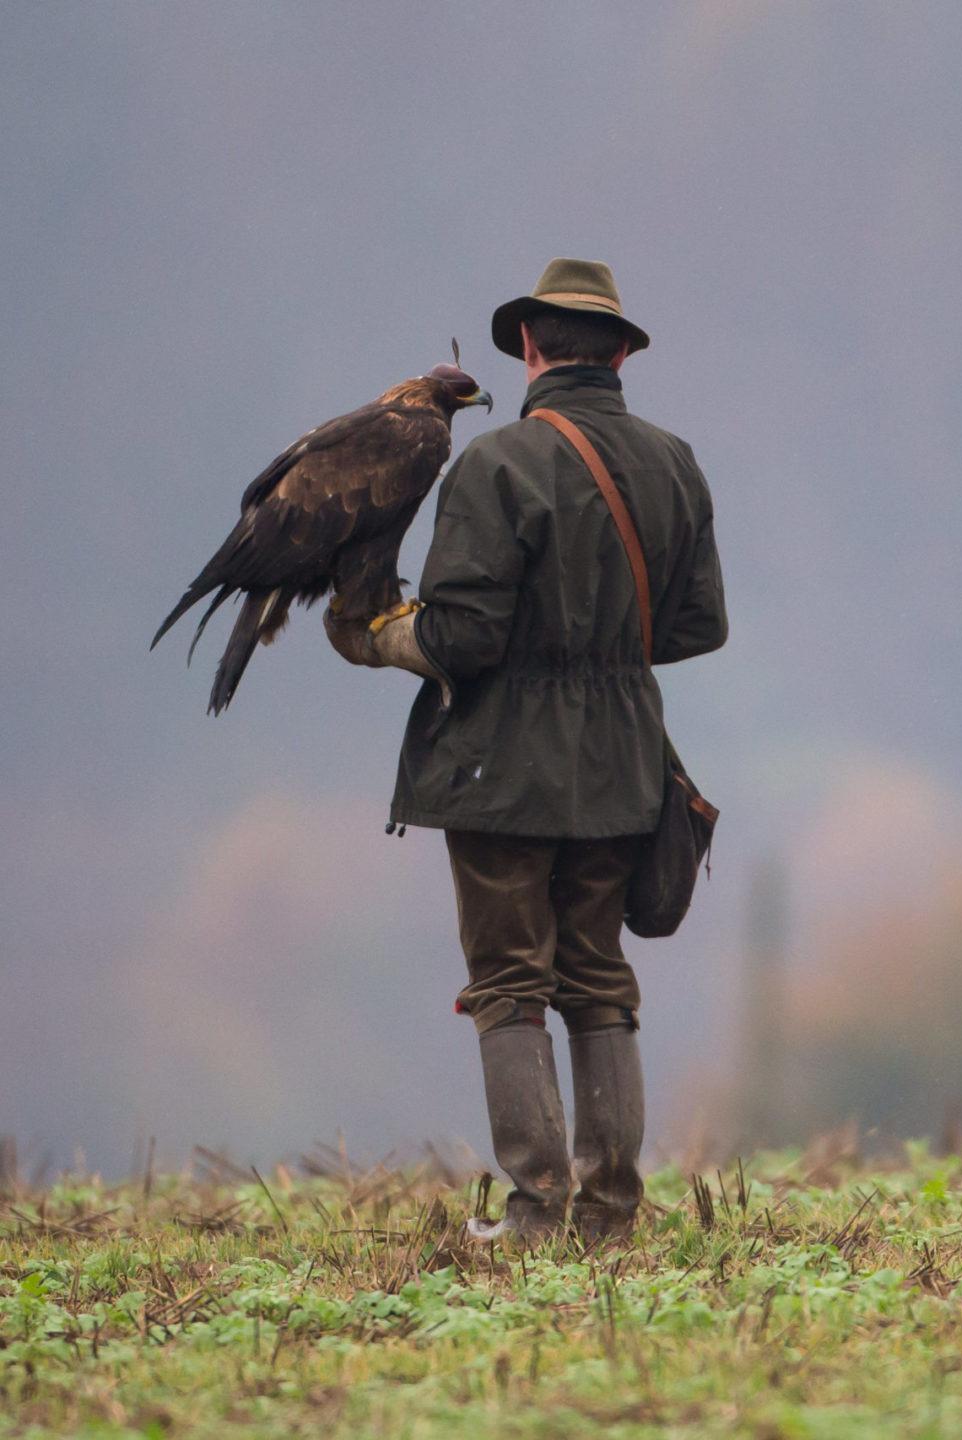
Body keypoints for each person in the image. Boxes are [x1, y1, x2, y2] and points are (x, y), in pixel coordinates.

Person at [327, 258, 727, 1243]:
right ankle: (613, 1214)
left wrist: (372, 636)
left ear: (532, 348)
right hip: (624, 761)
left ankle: (536, 1211)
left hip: (499, 770)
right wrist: (600, 646)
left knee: (510, 977)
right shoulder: (676, 463)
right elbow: (696, 628)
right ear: (623, 353)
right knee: (597, 974)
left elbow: (459, 639)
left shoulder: (495, 466)